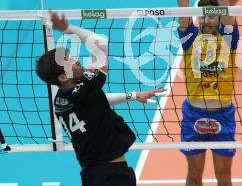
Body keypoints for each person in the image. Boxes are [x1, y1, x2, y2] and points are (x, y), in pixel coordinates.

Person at [35, 11, 164, 186]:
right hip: (111, 176)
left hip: (95, 175)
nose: (77, 61)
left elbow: (97, 103)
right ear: (63, 77)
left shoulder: (61, 101)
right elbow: (100, 43)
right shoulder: (85, 89)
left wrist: (132, 96)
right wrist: (67, 28)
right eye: (70, 61)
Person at [167, 0, 238, 186]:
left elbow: (228, 12)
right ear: (198, 17)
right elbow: (183, 9)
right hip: (194, 113)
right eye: (204, 14)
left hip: (223, 113)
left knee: (223, 175)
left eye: (213, 14)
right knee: (194, 174)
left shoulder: (228, 38)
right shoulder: (189, 38)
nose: (209, 18)